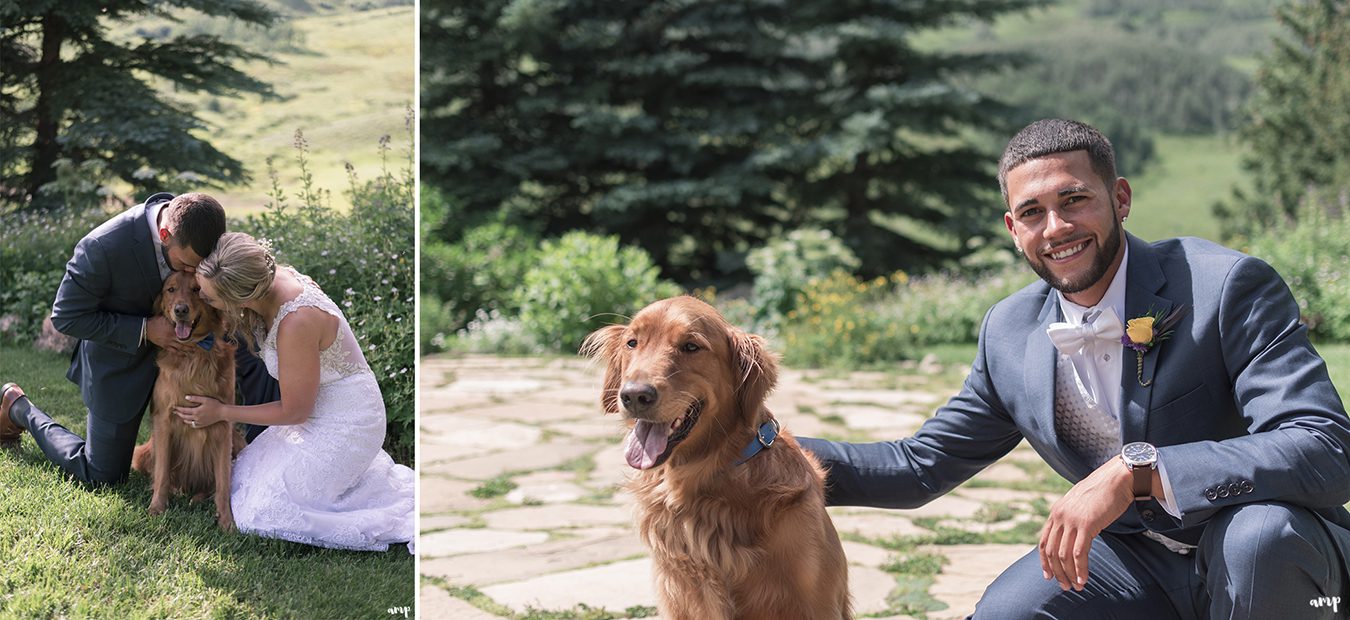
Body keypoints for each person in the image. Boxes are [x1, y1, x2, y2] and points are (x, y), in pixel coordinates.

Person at [798, 119, 1350, 618]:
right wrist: (757, 450)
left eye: (1074, 199)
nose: (1057, 227)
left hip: (1270, 556)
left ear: (1121, 197)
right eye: (1034, 213)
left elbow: (1324, 446)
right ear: (1013, 229)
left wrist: (1142, 471)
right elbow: (920, 465)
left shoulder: (1224, 286)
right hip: (1134, 563)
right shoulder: (1008, 333)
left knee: (1260, 537)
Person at [1, 192, 279, 485]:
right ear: (164, 235)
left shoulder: (197, 223)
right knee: (102, 475)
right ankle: (19, 407)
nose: (191, 273)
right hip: (122, 361)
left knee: (256, 350)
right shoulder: (101, 247)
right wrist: (145, 329)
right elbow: (66, 316)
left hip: (196, 344)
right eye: (186, 265)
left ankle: (265, 462)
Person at [174, 232, 414, 552]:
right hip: (316, 411)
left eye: (211, 298)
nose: (203, 301)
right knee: (242, 479)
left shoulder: (296, 322)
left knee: (259, 512)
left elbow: (294, 412)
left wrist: (220, 411)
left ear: (240, 299)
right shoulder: (268, 279)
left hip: (346, 422)